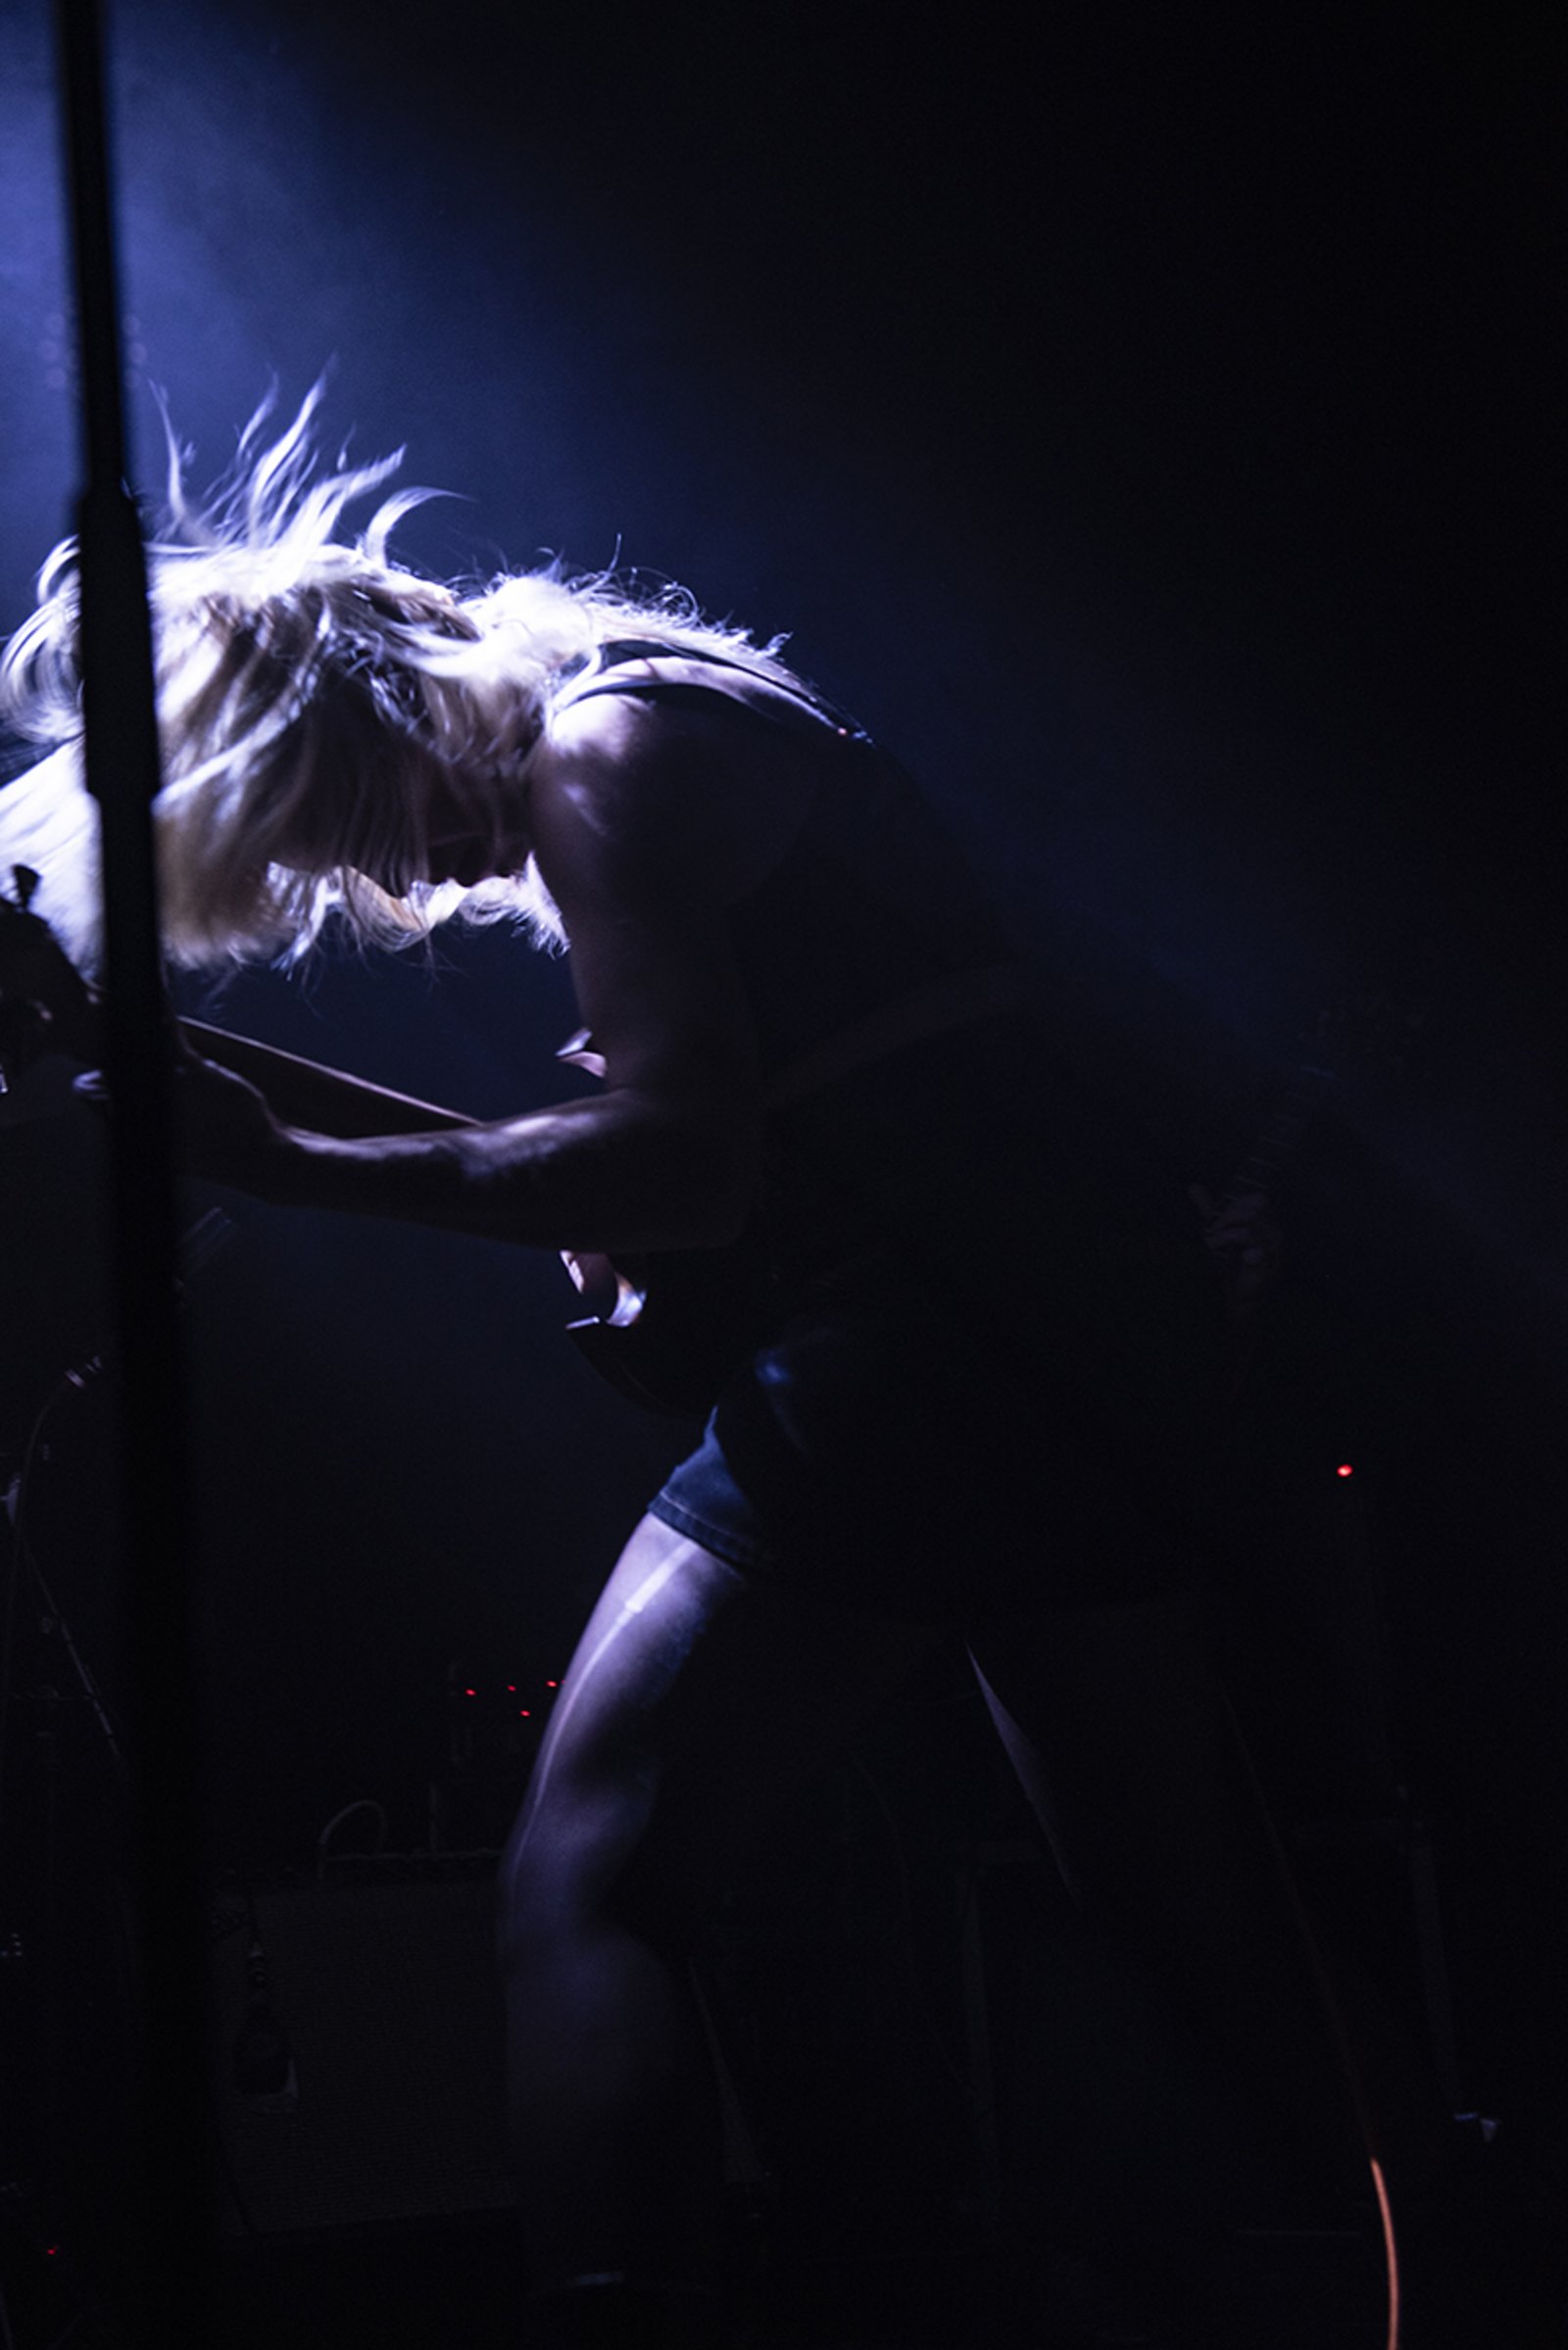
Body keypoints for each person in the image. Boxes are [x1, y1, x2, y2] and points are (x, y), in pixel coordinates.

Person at [0, 395, 1382, 2345]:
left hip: (939, 1347)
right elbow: (722, 1136)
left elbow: (684, 1163)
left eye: (332, 829)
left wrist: (294, 1160)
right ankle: (1419, 2258)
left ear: (352, 732)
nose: (377, 879)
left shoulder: (605, 753)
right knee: (1176, 1901)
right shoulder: (657, 716)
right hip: (1067, 1329)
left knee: (591, 1876)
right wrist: (173, 1081)